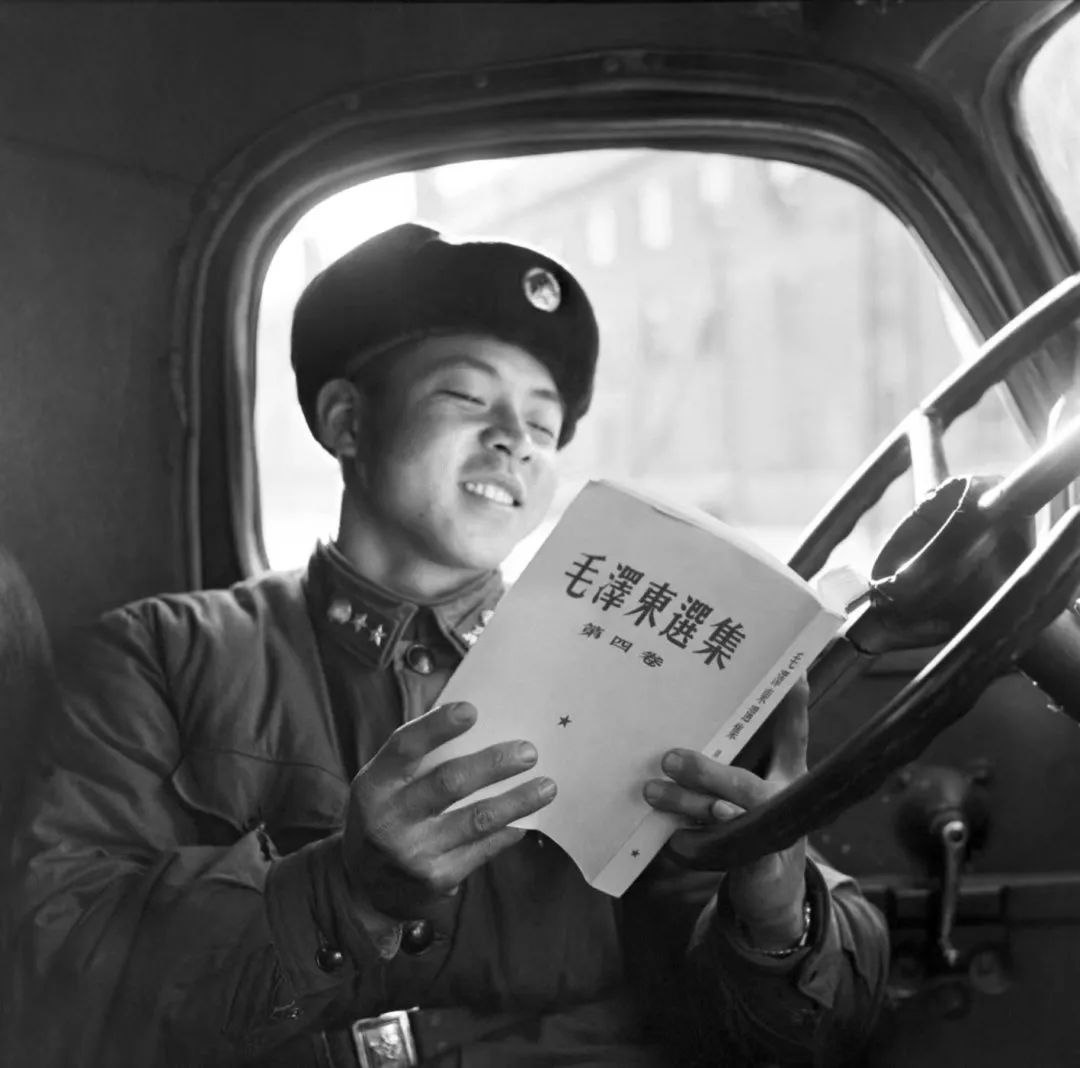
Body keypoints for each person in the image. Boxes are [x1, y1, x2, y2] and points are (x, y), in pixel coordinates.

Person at [3, 222, 888, 1067]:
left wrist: (777, 914)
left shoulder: (632, 663)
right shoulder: (156, 659)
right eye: (467, 397)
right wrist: (346, 893)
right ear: (347, 422)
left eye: (544, 426)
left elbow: (790, 1036)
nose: (516, 442)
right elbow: (57, 983)